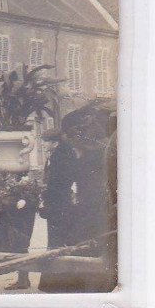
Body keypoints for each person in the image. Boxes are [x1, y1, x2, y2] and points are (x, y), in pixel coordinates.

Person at [38, 106, 117, 293]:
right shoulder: (68, 153)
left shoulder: (90, 152)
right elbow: (59, 187)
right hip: (74, 212)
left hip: (83, 212)